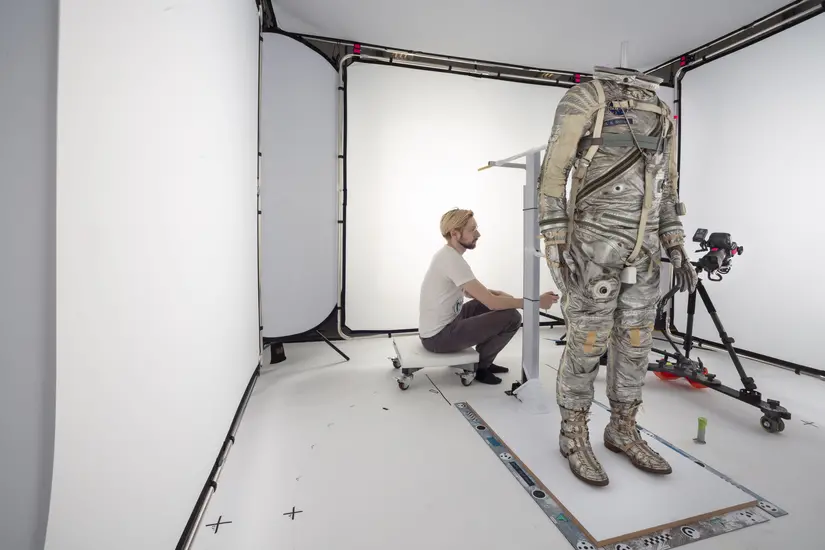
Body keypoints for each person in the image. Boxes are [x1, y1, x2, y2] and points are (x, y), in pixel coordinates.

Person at [538, 66, 698, 486]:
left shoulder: (662, 111)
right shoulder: (585, 99)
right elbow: (553, 176)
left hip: (643, 254)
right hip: (592, 248)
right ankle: (573, 433)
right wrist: (555, 238)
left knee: (636, 343)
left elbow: (665, 186)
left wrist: (675, 243)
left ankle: (622, 428)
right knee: (588, 342)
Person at [418, 208, 559, 385]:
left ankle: (484, 360)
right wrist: (535, 303)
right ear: (455, 233)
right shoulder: (452, 260)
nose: (478, 234)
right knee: (511, 317)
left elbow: (470, 292)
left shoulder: (447, 255)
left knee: (488, 304)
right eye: (471, 230)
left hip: (447, 323)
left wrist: (498, 296)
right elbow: (492, 304)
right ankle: (480, 367)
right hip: (438, 338)